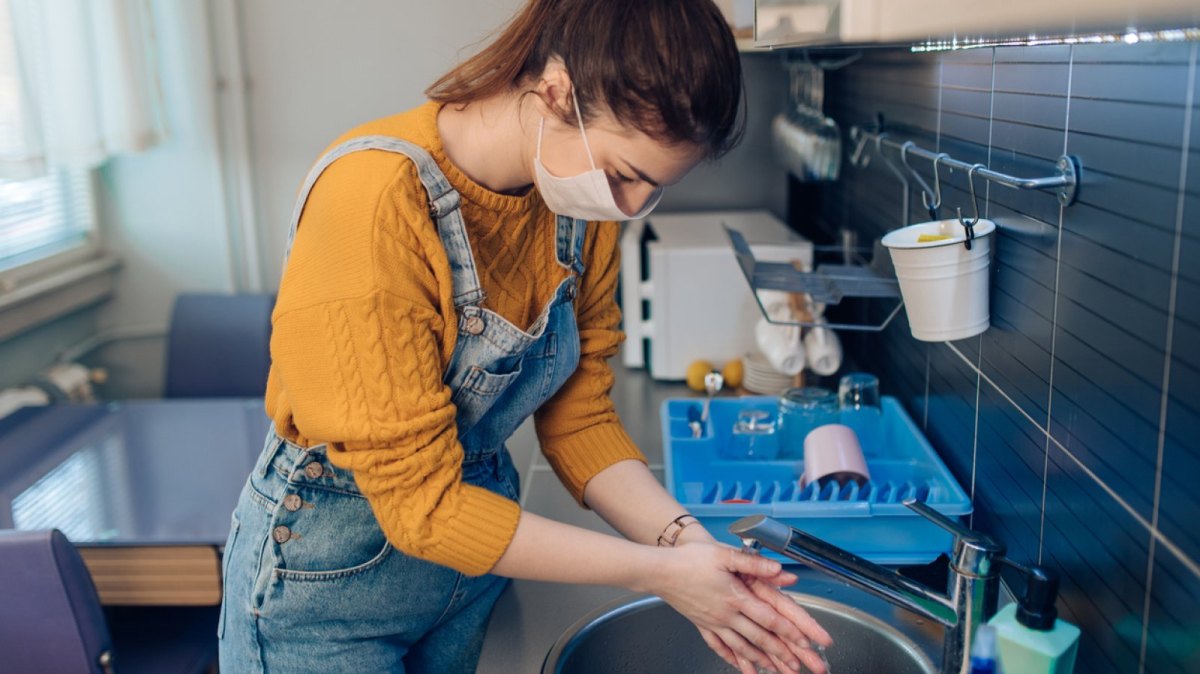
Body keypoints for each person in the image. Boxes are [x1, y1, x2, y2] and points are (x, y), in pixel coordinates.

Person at [217, 1, 832, 672]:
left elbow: (580, 422)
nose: (627, 207)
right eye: (625, 175)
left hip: (465, 579)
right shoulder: (372, 204)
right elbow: (421, 507)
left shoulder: (578, 206)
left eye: (651, 190)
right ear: (556, 90)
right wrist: (655, 573)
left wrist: (686, 544)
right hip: (324, 600)